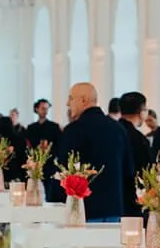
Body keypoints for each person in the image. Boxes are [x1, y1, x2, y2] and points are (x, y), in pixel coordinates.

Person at [52, 82, 130, 222]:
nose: (67, 104)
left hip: (84, 211)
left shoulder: (74, 130)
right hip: (115, 209)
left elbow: (63, 171)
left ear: (83, 100)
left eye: (71, 98)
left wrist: (55, 203)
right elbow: (128, 172)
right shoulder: (118, 129)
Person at [115, 90, 155, 212]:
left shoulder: (111, 132)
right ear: (141, 112)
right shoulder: (140, 140)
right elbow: (147, 173)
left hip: (112, 198)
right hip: (133, 200)